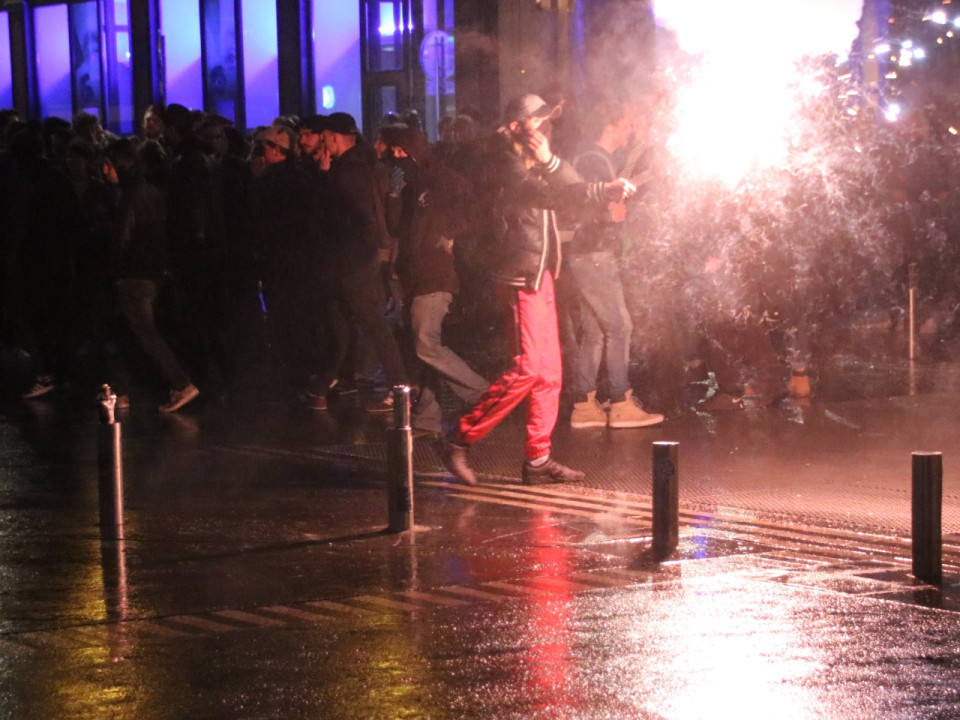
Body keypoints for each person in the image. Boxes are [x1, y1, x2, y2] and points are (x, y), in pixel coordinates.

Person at [443, 94, 637, 487]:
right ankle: (459, 438)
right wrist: (595, 187)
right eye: (538, 121)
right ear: (517, 126)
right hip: (520, 275)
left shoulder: (526, 158)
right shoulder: (502, 162)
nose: (546, 128)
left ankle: (538, 458)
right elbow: (549, 194)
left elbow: (562, 196)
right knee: (528, 368)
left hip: (539, 273)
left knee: (549, 374)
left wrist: (598, 191)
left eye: (547, 120)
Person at [381, 125, 489, 430]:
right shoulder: (411, 186)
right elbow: (397, 227)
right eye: (394, 152)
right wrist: (394, 195)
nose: (397, 157)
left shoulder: (442, 180)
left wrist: (450, 234)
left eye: (402, 151)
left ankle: (483, 393)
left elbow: (471, 211)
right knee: (420, 348)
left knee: (425, 344)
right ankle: (427, 415)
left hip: (434, 274)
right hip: (414, 275)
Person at [566, 101, 664, 429]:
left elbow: (614, 193)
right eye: (625, 122)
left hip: (584, 255)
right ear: (609, 125)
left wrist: (650, 175)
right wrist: (611, 214)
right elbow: (593, 206)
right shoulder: (594, 160)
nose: (630, 128)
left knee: (594, 332)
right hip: (594, 255)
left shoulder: (594, 159)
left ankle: (584, 405)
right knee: (619, 327)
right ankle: (620, 401)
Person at [311, 112, 410, 412]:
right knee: (341, 322)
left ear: (335, 137)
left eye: (325, 135)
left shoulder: (348, 170)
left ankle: (401, 389)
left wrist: (325, 177)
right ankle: (322, 386)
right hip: (353, 261)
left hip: (353, 263)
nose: (322, 141)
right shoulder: (357, 165)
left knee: (373, 327)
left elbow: (351, 216)